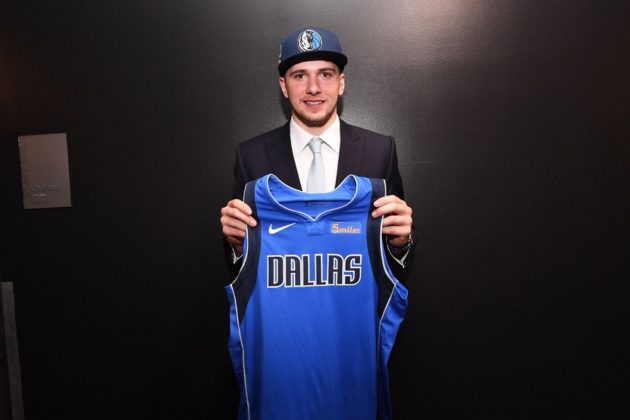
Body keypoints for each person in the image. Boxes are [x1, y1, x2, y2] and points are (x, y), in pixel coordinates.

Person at [220, 27, 416, 279]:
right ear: (284, 86)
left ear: (341, 83)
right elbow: (245, 264)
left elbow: (391, 255)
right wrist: (237, 244)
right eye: (300, 75)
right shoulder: (251, 156)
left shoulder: (380, 151)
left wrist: (400, 243)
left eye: (325, 74)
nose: (313, 88)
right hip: (284, 303)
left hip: (354, 302)